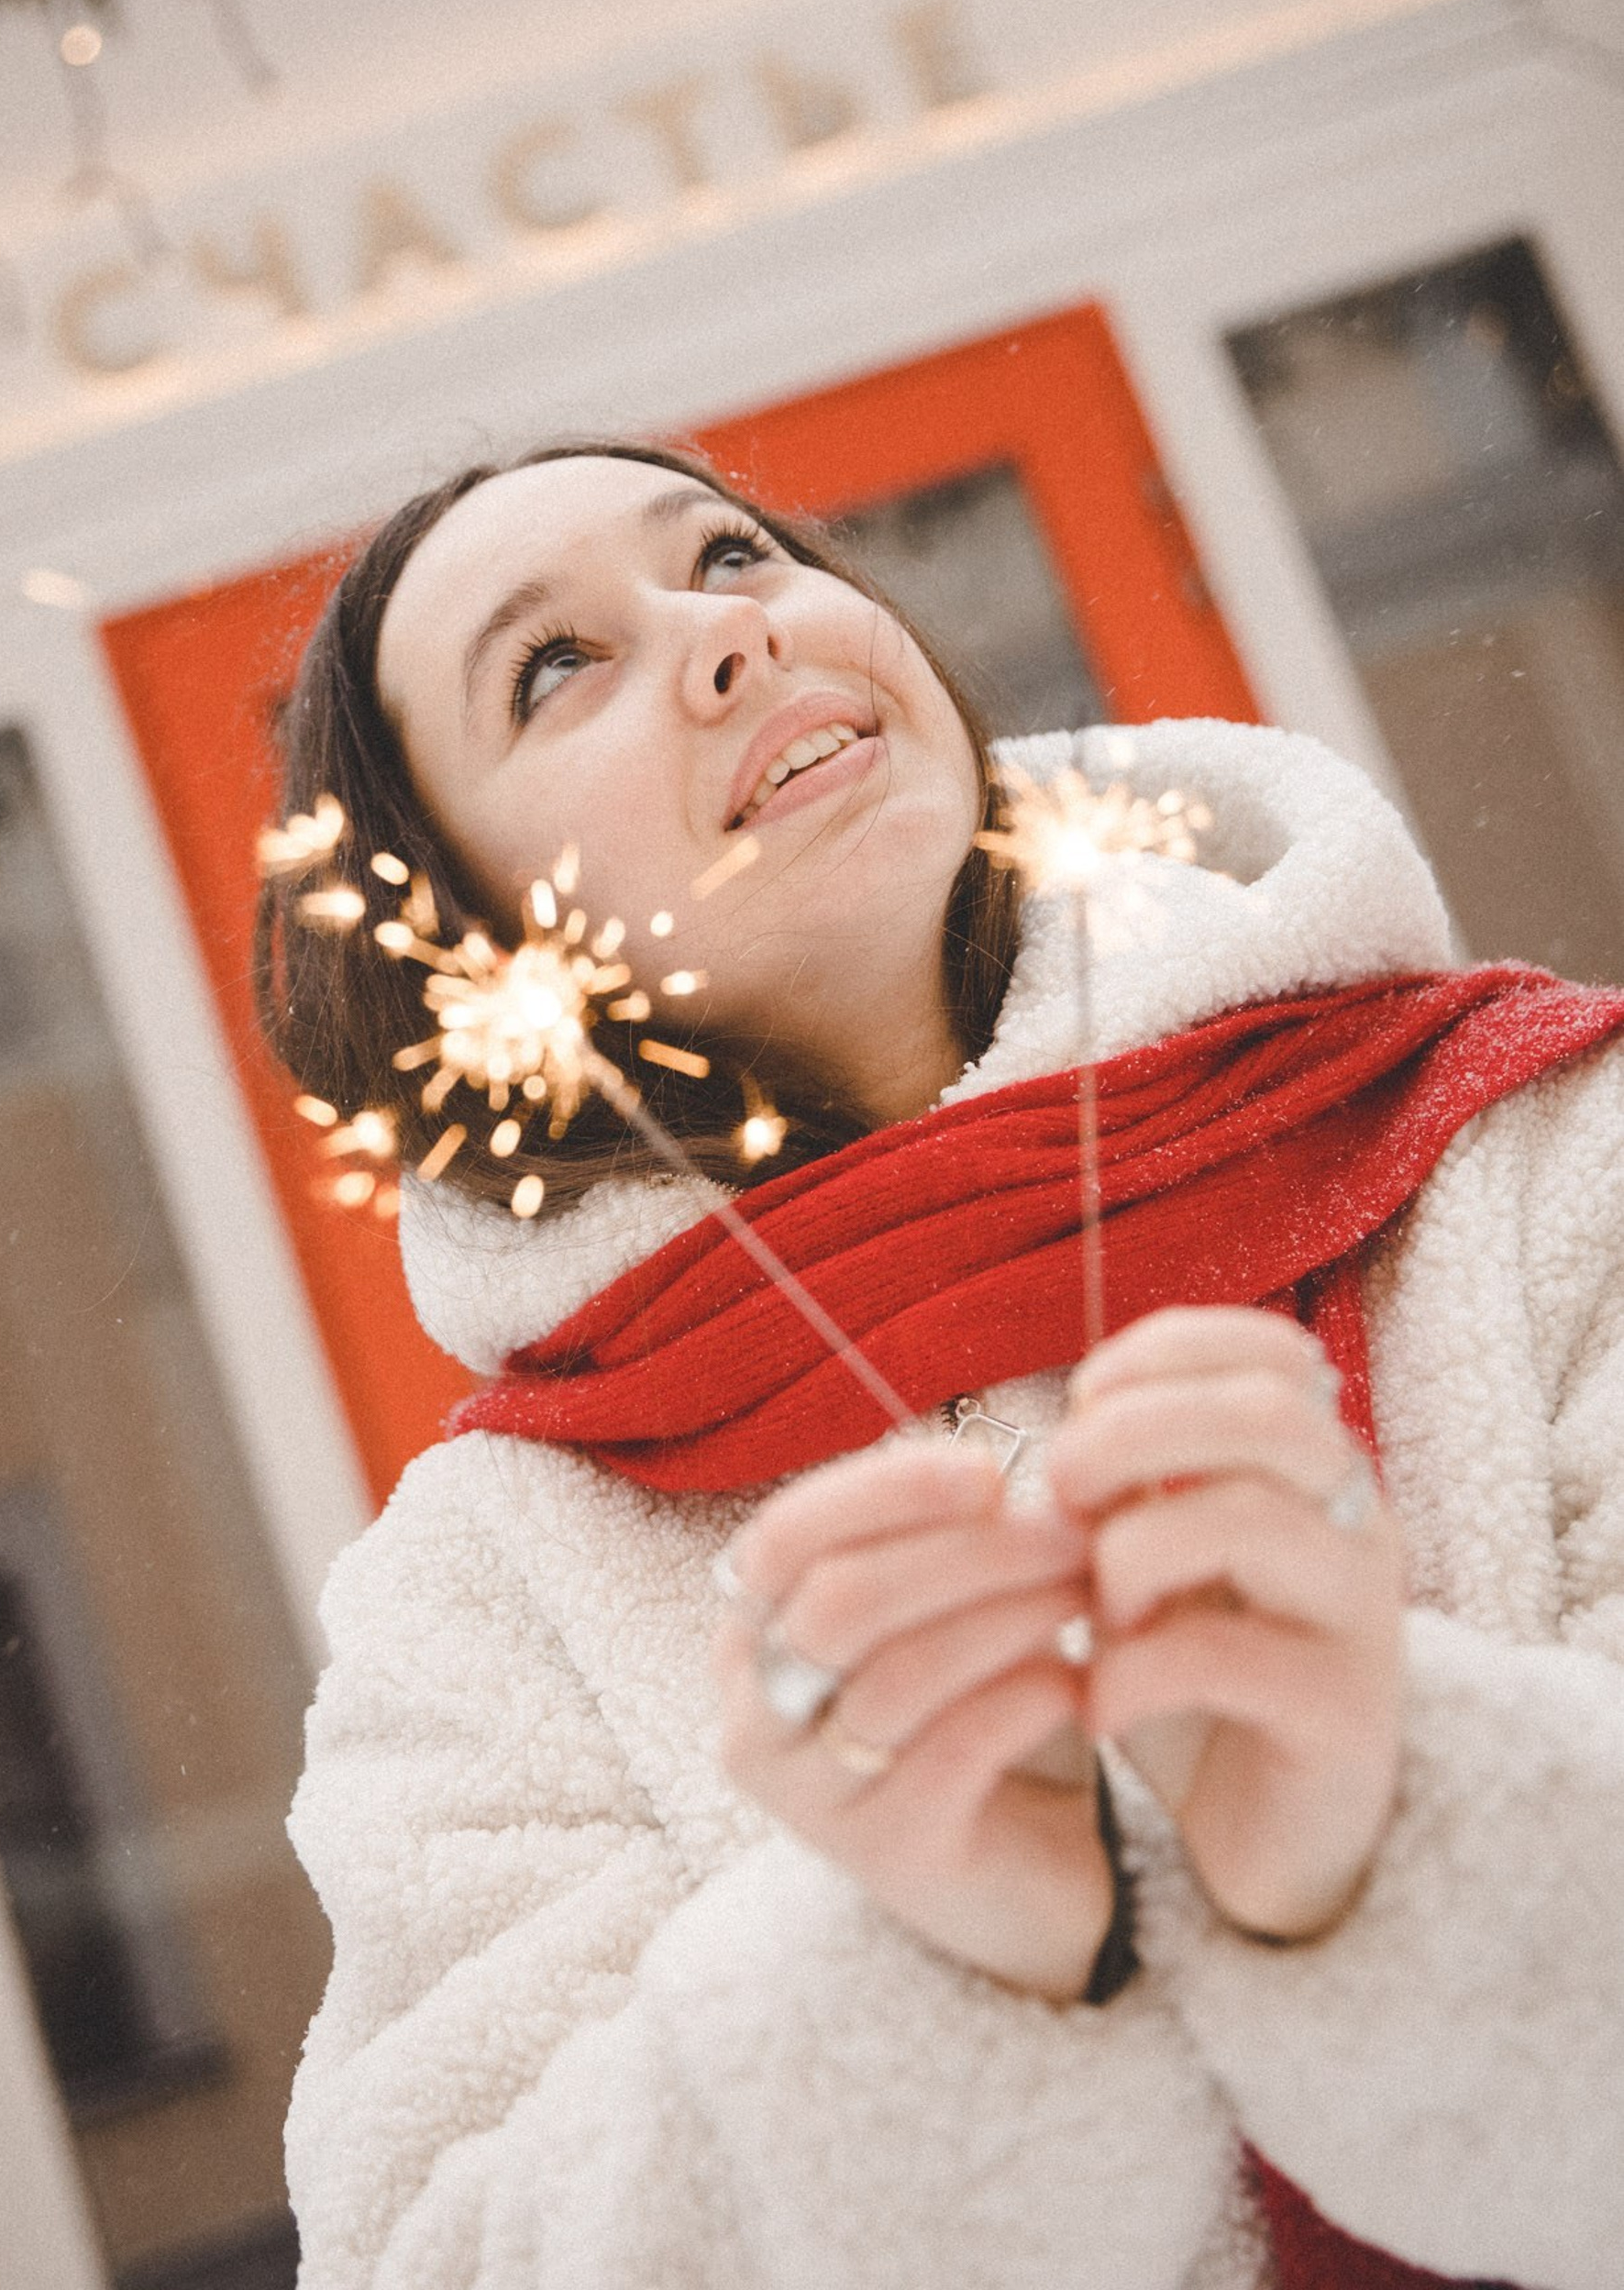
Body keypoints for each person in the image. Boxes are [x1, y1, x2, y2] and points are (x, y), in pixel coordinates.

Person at [262, 443, 1624, 2290]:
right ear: (464, 939)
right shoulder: (488, 1584)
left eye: (731, 553)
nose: (727, 636)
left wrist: (1373, 1837)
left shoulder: (1547, 1155)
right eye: (554, 666)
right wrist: (934, 1962)